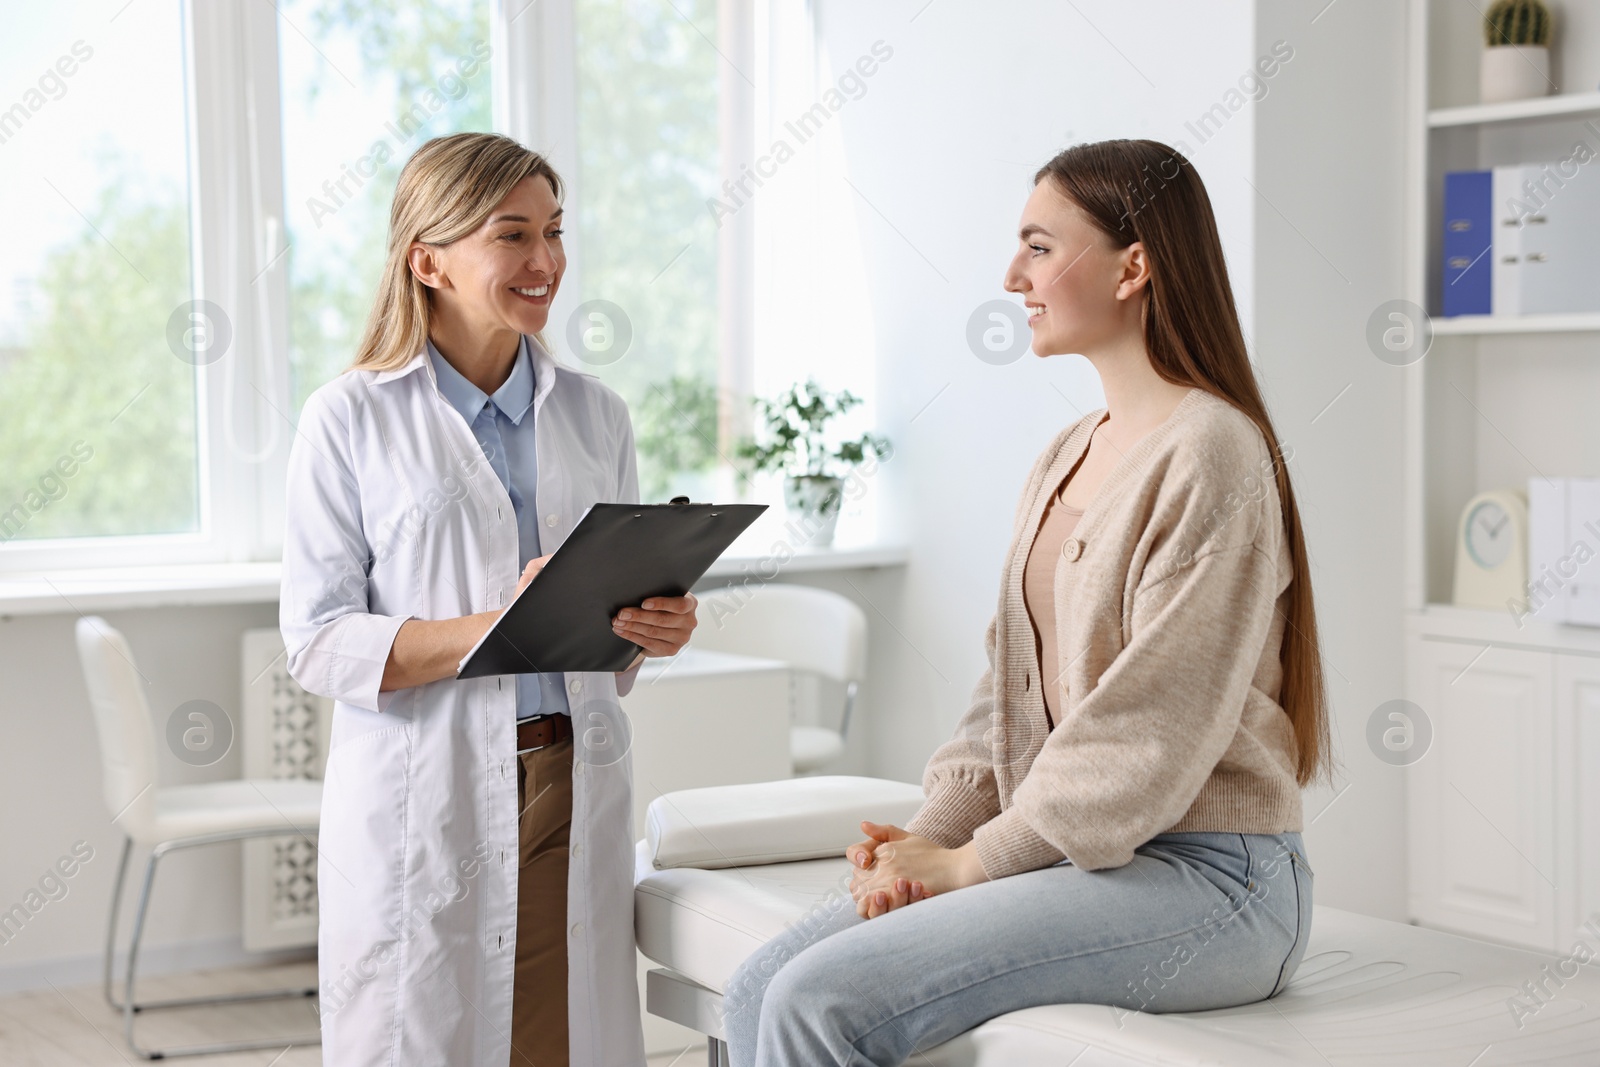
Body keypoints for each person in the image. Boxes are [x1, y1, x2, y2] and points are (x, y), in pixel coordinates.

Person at [721, 138, 1332, 1066]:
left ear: (1135, 266)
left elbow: (1152, 723)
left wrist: (974, 863)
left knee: (820, 998)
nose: (1013, 276)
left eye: (1040, 246)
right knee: (760, 985)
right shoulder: (1066, 451)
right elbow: (1004, 692)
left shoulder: (1213, 450)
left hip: (1215, 879)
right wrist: (924, 842)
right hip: (1098, 859)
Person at [280, 131, 696, 1067]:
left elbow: (606, 647)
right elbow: (318, 640)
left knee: (554, 1037)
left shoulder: (598, 414)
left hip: (566, 778)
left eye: (554, 231)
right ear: (428, 260)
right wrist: (496, 628)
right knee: (425, 1033)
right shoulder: (349, 418)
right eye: (512, 235)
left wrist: (645, 630)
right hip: (426, 793)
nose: (545, 261)